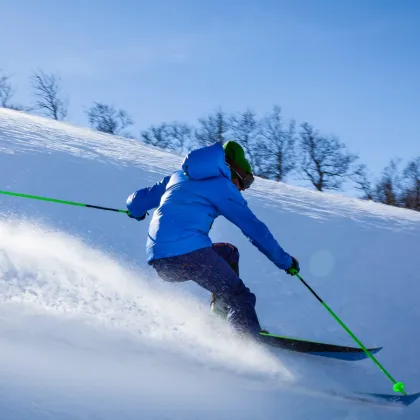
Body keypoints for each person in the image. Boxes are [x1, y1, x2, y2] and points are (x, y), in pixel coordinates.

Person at [126, 140, 299, 339]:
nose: (242, 188)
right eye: (245, 181)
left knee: (228, 252)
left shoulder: (178, 177)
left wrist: (136, 212)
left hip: (161, 262)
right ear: (233, 170)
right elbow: (254, 229)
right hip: (190, 255)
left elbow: (137, 201)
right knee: (239, 296)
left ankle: (219, 321)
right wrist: (285, 261)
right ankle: (246, 341)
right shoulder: (222, 186)